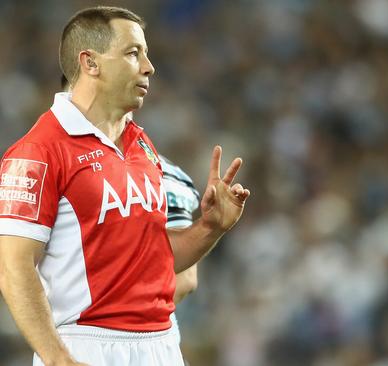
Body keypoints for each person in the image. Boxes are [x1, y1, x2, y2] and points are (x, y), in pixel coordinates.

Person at [0, 6, 249, 366]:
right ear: (90, 63)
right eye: (134, 53)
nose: (149, 66)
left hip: (161, 342)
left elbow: (154, 259)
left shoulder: (141, 144)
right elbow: (14, 267)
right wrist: (57, 358)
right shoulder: (38, 151)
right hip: (86, 344)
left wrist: (210, 228)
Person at [61, 74, 200, 346]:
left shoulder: (165, 175)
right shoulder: (42, 168)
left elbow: (183, 279)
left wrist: (109, 323)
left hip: (136, 343)